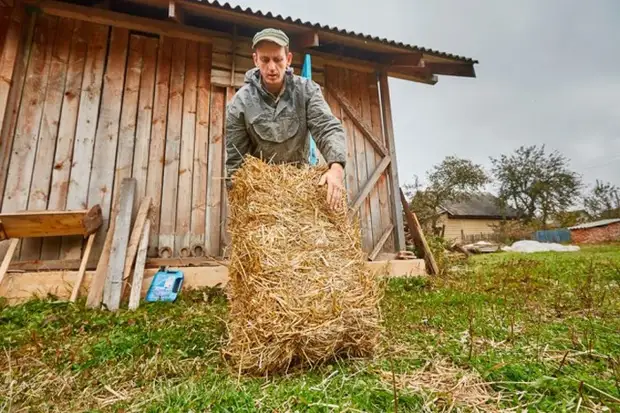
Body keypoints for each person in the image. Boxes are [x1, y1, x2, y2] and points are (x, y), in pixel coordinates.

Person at [225, 28, 347, 210]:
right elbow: (236, 160)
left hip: (301, 185)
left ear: (288, 59)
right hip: (262, 191)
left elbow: (327, 127)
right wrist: (240, 202)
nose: (272, 67)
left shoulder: (307, 91)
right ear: (255, 60)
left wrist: (336, 169)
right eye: (265, 60)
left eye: (278, 59)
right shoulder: (240, 103)